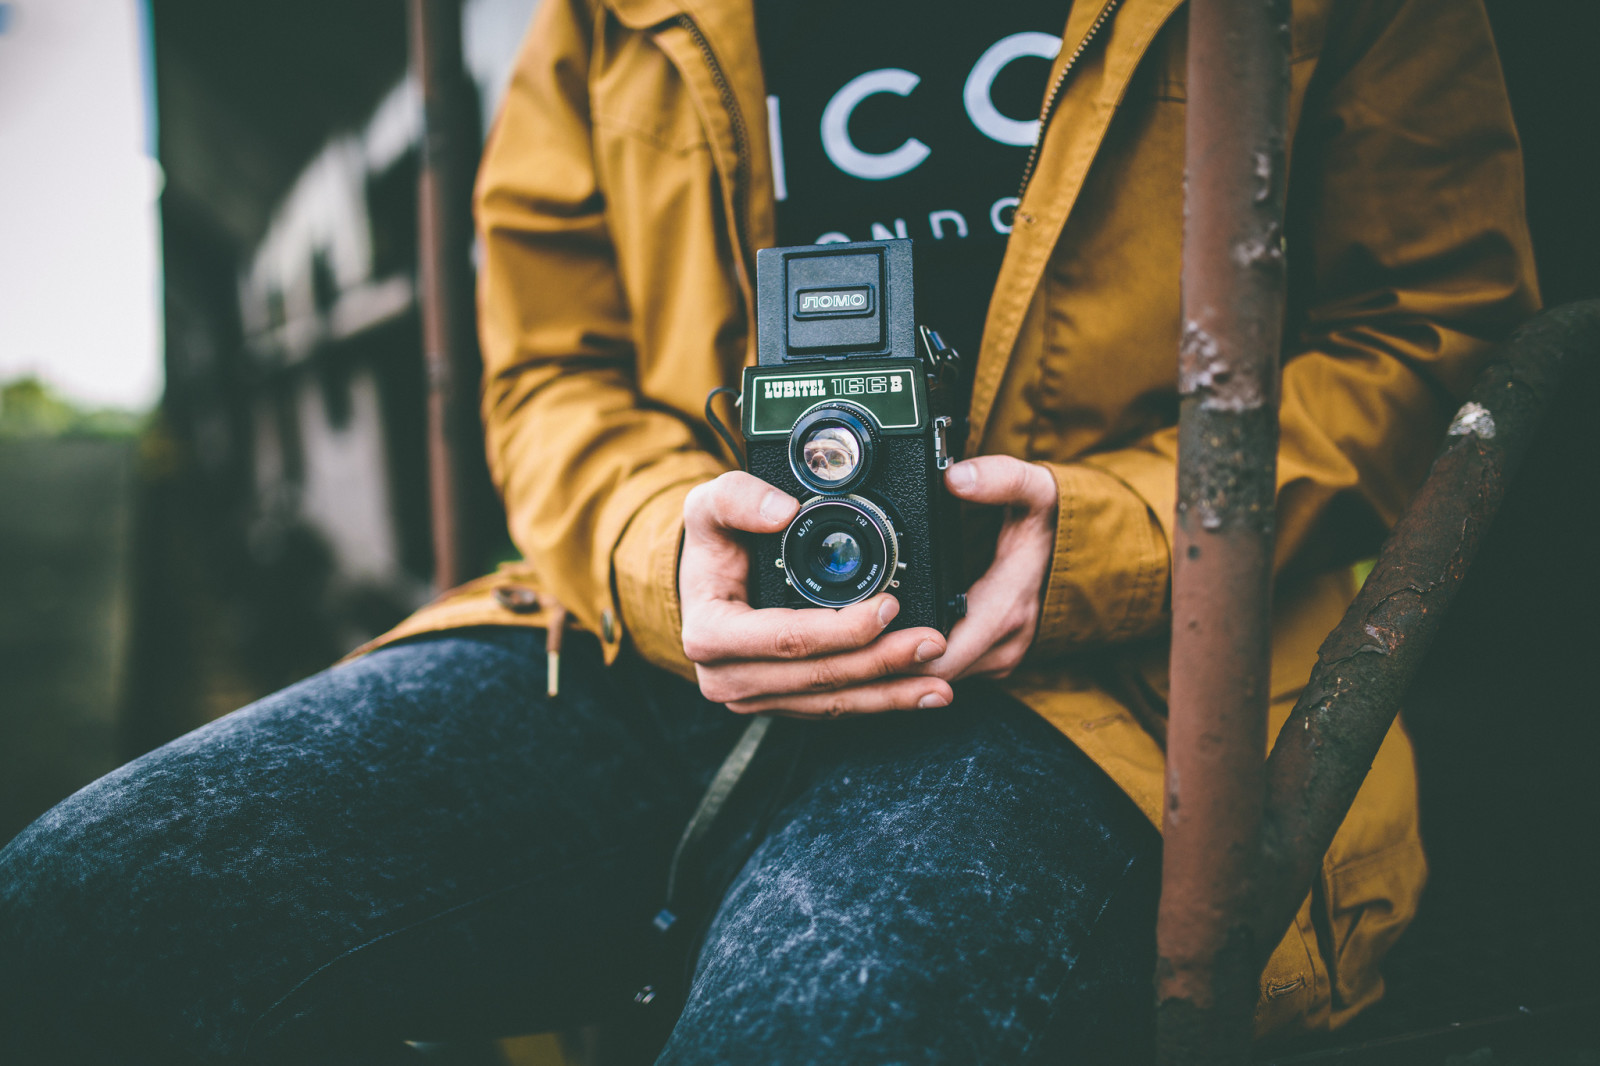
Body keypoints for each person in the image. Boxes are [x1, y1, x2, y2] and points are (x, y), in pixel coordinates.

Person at [0, 0, 1537, 1061]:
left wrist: (1119, 537)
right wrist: (658, 546)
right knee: (75, 916)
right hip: (666, 646)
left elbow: (1441, 320)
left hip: (1114, 691)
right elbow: (548, 364)